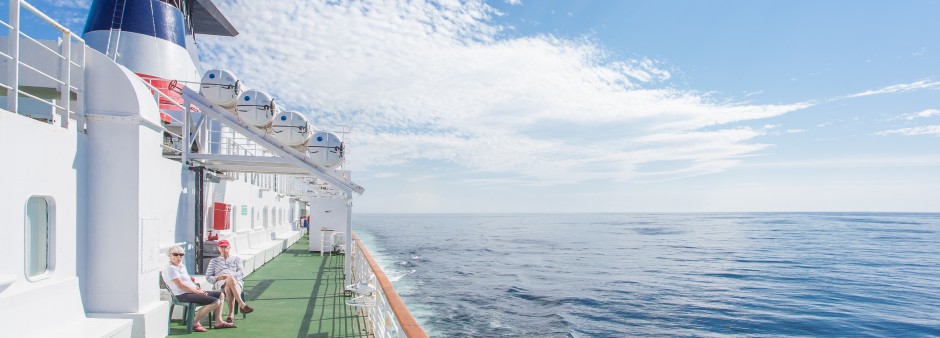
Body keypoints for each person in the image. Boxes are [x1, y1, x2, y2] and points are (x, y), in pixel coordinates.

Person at [162, 245, 235, 331]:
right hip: (182, 295)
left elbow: (188, 282)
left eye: (181, 255)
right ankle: (194, 322)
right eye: (175, 254)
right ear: (170, 255)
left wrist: (198, 289)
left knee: (220, 295)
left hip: (191, 291)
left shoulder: (181, 266)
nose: (179, 257)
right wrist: (198, 292)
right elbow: (181, 286)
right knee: (216, 302)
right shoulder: (170, 268)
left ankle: (218, 321)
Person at [205, 239, 254, 323]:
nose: (224, 249)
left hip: (236, 281)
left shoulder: (236, 259)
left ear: (229, 247)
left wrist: (231, 277)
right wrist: (219, 277)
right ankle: (241, 305)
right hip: (220, 282)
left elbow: (241, 272)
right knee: (229, 282)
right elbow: (208, 277)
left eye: (225, 247)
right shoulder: (214, 261)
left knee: (228, 287)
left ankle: (231, 315)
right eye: (221, 247)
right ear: (218, 248)